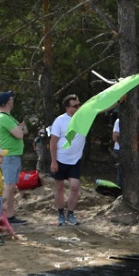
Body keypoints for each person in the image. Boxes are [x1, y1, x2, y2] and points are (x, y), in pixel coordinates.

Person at [49, 93, 85, 227]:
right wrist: (53, 161)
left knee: (74, 187)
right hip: (60, 159)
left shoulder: (83, 118)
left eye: (79, 105)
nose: (78, 107)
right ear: (67, 108)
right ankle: (60, 214)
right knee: (59, 187)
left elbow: (98, 108)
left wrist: (117, 101)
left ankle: (70, 214)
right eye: (75, 106)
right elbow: (53, 142)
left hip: (75, 160)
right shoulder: (60, 121)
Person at [0, 91, 27, 225]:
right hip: (9, 156)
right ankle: (0, 216)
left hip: (14, 155)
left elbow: (24, 131)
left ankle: (9, 215)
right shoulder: (4, 118)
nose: (13, 100)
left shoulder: (9, 117)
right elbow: (20, 134)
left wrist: (21, 128)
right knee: (8, 186)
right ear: (8, 102)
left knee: (11, 186)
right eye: (11, 98)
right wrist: (20, 128)